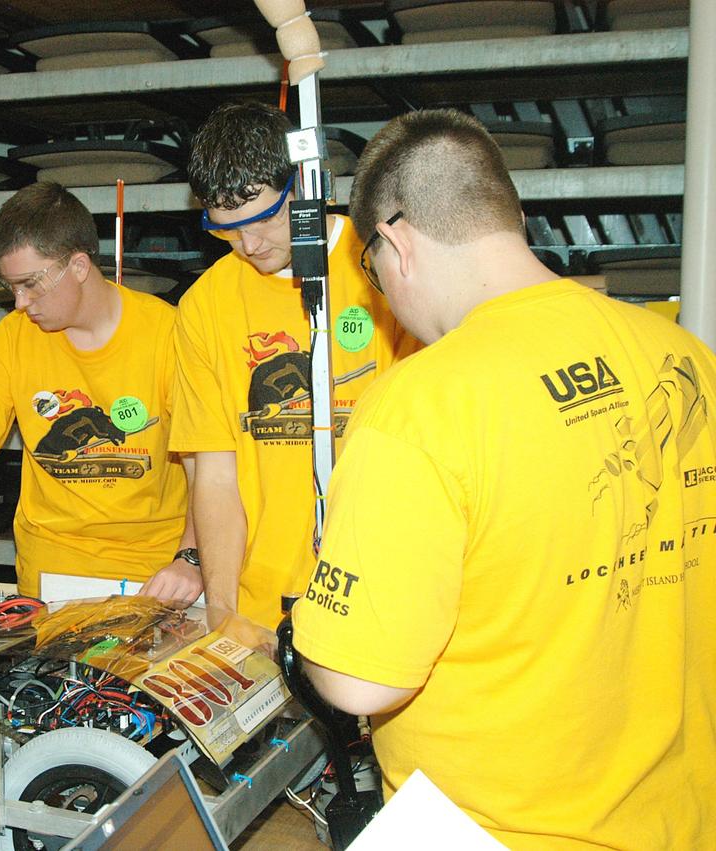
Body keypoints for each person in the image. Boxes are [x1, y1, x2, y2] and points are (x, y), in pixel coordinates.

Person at [291, 108, 716, 848]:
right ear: (508, 214)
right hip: (680, 817)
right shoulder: (684, 356)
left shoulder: (421, 404)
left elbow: (361, 683)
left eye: (372, 270)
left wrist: (305, 635)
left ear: (396, 242)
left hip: (499, 829)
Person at [172, 101, 419, 630]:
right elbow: (215, 475)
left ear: (306, 186)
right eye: (226, 230)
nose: (249, 244)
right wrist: (222, 609)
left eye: (266, 218)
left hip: (381, 599)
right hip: (261, 607)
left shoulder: (385, 267)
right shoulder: (205, 305)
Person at [0, 182, 199, 604]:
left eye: (30, 283)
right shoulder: (11, 341)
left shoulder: (169, 336)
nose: (19, 302)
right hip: (47, 584)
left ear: (80, 266)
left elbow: (206, 469)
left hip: (153, 583)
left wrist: (191, 559)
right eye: (9, 285)